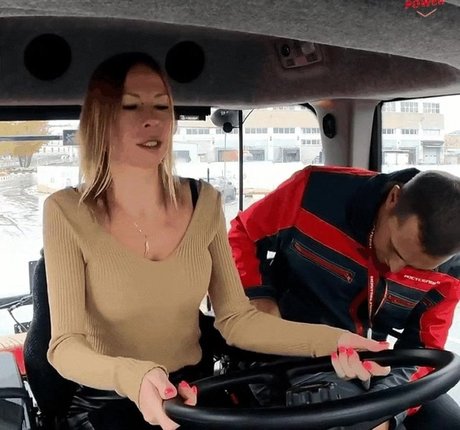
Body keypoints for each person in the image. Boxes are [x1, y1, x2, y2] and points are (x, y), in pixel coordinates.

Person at [42, 53, 389, 430]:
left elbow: (237, 320)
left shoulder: (204, 202)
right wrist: (134, 377)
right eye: (131, 106)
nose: (153, 119)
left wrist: (336, 341)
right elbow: (65, 346)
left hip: (195, 391)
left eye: (162, 106)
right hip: (108, 401)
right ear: (100, 119)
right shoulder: (65, 211)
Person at [228, 165, 460, 430]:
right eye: (395, 249)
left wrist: (385, 415)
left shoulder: (450, 271)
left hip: (376, 363)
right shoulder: (314, 193)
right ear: (393, 199)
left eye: (416, 267)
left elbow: (424, 351)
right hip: (291, 350)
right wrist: (258, 295)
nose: (394, 268)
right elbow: (243, 233)